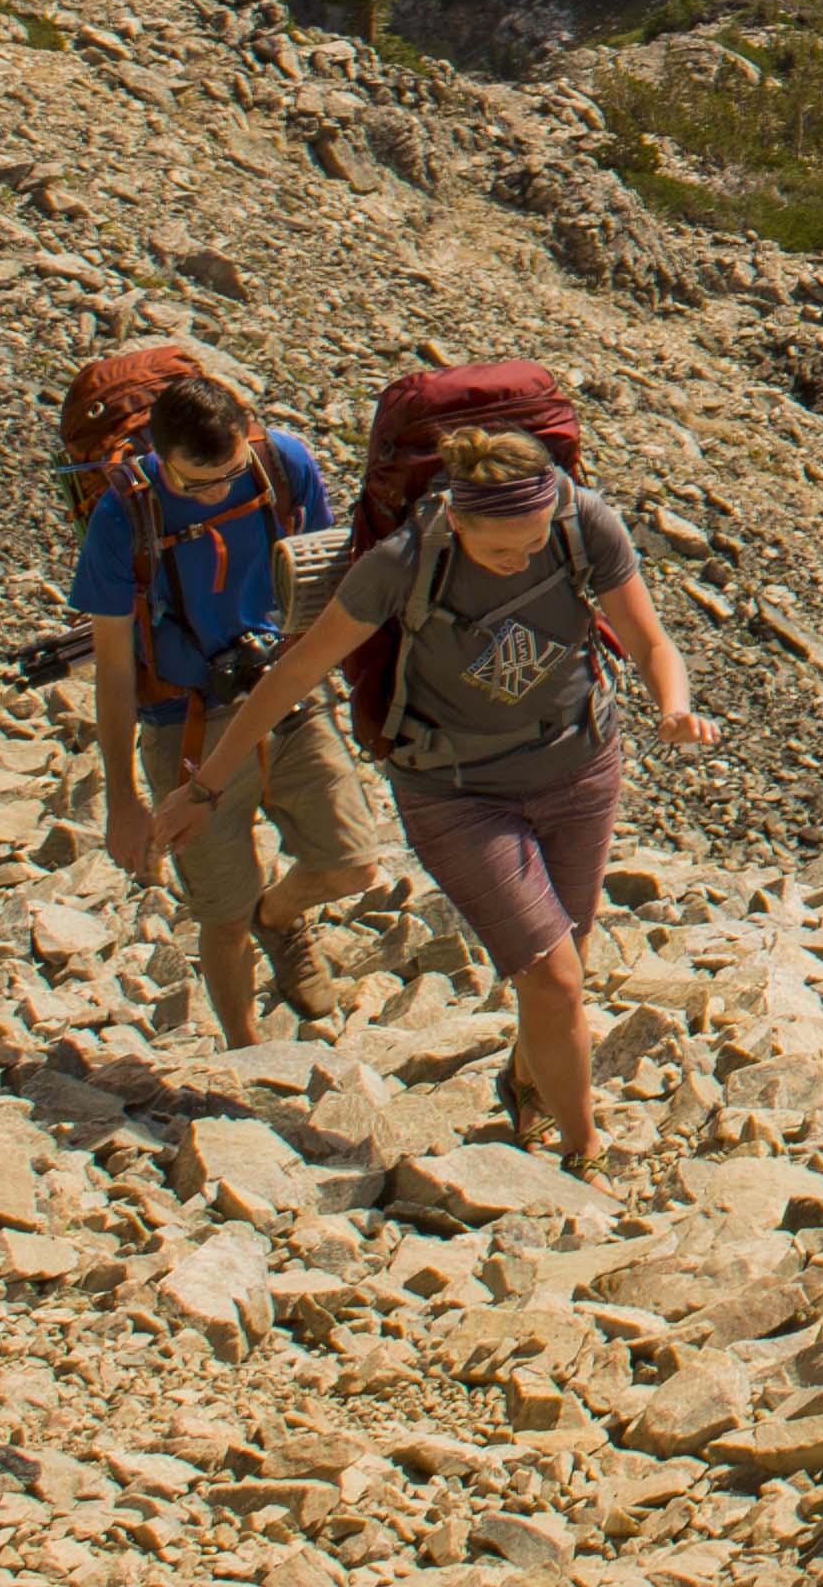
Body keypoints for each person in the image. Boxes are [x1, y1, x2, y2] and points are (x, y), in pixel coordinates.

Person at [181, 421, 715, 1170]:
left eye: (533, 544)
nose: (522, 558)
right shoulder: (402, 564)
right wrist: (203, 786)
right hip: (456, 792)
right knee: (555, 978)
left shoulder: (581, 522)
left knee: (568, 963)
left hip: (581, 768)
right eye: (502, 549)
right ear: (455, 520)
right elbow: (295, 674)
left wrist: (672, 705)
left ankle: (527, 1089)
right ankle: (583, 1150)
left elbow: (651, 639)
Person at [66, 362, 388, 1042]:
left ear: (248, 435)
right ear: (158, 456)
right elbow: (115, 668)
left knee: (352, 863)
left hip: (287, 691)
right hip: (183, 720)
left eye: (228, 474)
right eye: (193, 482)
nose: (213, 491)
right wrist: (124, 801)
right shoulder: (124, 512)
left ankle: (281, 916)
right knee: (221, 910)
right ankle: (246, 1060)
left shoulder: (283, 463)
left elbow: (327, 574)